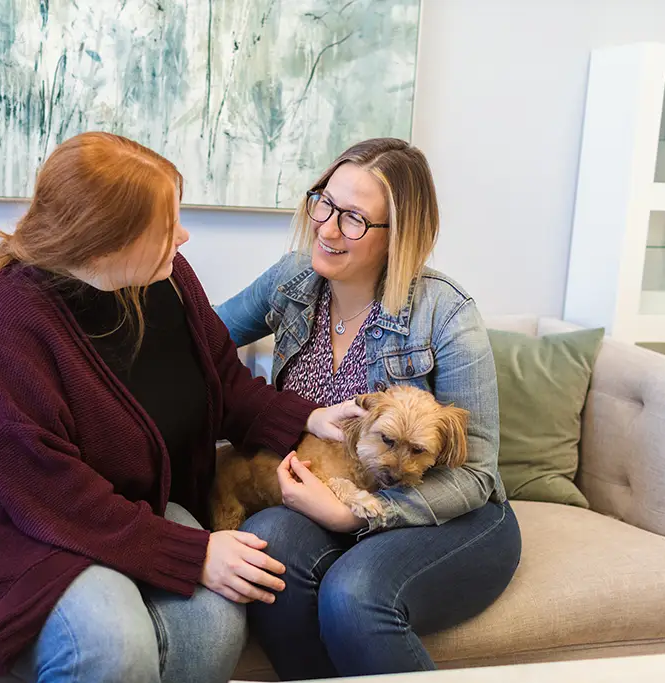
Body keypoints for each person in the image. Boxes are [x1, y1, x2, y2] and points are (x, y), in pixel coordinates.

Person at [0, 132, 360, 683]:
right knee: (114, 645)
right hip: (15, 519)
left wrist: (307, 419)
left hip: (132, 507)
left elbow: (225, 385)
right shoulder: (6, 317)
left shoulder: (169, 279)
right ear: (104, 243)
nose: (183, 237)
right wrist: (191, 553)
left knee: (215, 626)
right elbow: (45, 486)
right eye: (166, 228)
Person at [215, 137, 523, 679]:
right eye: (324, 203)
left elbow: (476, 476)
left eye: (354, 218)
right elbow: (201, 338)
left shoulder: (447, 315)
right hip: (327, 500)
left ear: (398, 236)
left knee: (354, 593)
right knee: (271, 548)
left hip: (446, 514)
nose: (327, 228)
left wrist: (357, 513)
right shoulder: (291, 281)